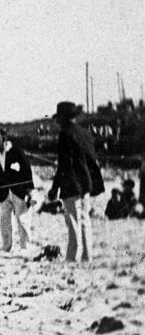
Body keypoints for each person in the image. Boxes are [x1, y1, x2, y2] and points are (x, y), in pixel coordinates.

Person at [47, 101, 101, 263]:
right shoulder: (85, 133)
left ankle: (73, 258)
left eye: (58, 118)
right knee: (84, 221)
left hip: (71, 184)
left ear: (64, 118)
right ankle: (87, 256)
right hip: (85, 184)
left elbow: (63, 165)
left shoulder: (65, 134)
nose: (57, 121)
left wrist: (54, 188)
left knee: (73, 222)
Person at [0, 128, 34, 254]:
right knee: (4, 221)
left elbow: (27, 169)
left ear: (4, 139)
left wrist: (29, 190)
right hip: (3, 192)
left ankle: (25, 246)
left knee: (22, 218)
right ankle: (6, 246)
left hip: (18, 191)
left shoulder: (16, 151)